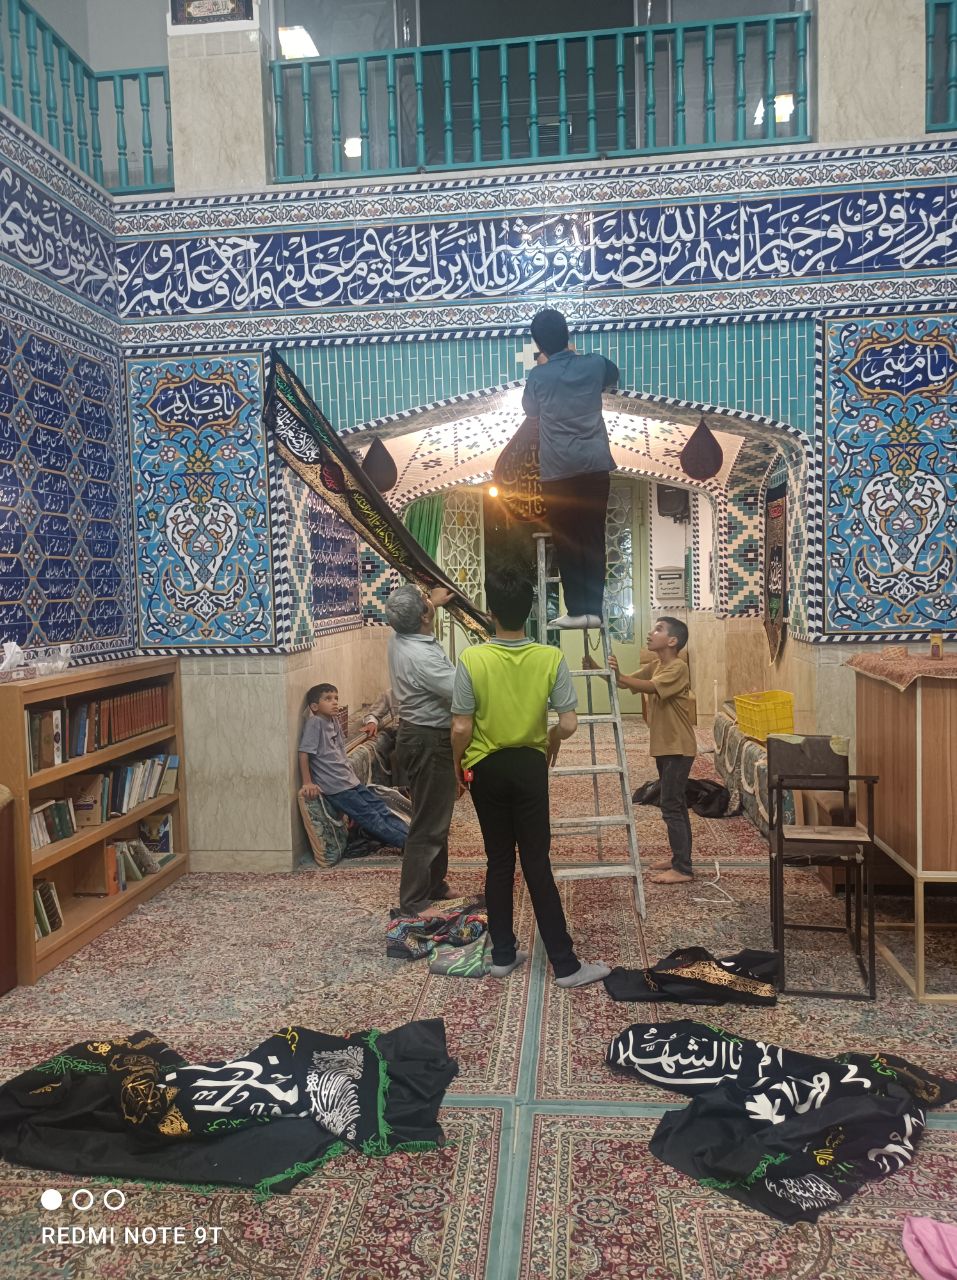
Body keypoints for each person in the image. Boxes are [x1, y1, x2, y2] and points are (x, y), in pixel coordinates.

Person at [451, 564, 611, 987]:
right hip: (529, 766)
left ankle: (502, 955)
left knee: (499, 859)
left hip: (485, 767)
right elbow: (569, 723)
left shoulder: (471, 658)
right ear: (530, 611)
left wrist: (458, 765)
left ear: (490, 612)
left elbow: (461, 727)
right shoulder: (550, 657)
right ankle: (566, 965)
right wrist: (552, 737)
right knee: (537, 862)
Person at [521, 307, 620, 629]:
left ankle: (577, 611)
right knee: (592, 536)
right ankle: (594, 611)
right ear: (568, 335)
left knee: (567, 539)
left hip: (559, 471)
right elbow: (613, 373)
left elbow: (530, 410)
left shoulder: (538, 376)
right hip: (594, 466)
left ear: (539, 344)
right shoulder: (594, 364)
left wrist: (544, 366)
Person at [385, 583, 460, 917]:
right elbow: (461, 691)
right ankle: (414, 902)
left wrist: (433, 605)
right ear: (424, 617)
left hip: (417, 735)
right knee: (428, 823)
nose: (430, 600)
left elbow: (418, 617)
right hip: (429, 740)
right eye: (426, 600)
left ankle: (434, 885)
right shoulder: (422, 657)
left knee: (435, 816)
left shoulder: (400, 635)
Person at [609, 617, 697, 885]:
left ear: (672, 641)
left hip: (678, 748)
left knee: (671, 806)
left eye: (658, 629)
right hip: (666, 747)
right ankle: (680, 858)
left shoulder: (678, 667)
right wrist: (603, 670)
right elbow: (625, 683)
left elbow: (649, 687)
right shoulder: (656, 665)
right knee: (675, 804)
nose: (650, 633)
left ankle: (683, 869)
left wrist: (620, 675)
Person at [298, 683, 409, 849]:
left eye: (336, 698)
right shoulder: (315, 723)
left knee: (381, 808)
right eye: (328, 699)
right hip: (336, 787)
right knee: (371, 817)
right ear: (314, 707)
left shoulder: (334, 720)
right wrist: (307, 782)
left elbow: (340, 752)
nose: (334, 702)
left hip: (350, 781)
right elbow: (304, 753)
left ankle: (411, 836)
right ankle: (407, 844)